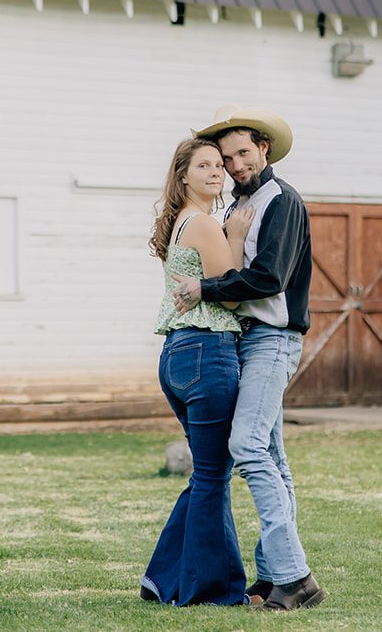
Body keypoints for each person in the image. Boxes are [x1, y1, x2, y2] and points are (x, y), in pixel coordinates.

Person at [172, 105, 327, 611]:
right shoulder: (239, 203)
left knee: (247, 446)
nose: (236, 165)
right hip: (247, 338)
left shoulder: (280, 200)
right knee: (274, 459)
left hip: (272, 338)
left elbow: (268, 279)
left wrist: (205, 288)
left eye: (243, 153)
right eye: (227, 157)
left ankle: (295, 577)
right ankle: (273, 574)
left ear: (263, 148)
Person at [140, 136, 256, 606]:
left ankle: (161, 578)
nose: (216, 172)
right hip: (207, 353)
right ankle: (219, 591)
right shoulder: (206, 224)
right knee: (213, 476)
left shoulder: (181, 223)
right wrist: (237, 238)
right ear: (183, 176)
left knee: (206, 474)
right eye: (203, 165)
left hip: (178, 355)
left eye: (219, 166)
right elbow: (230, 293)